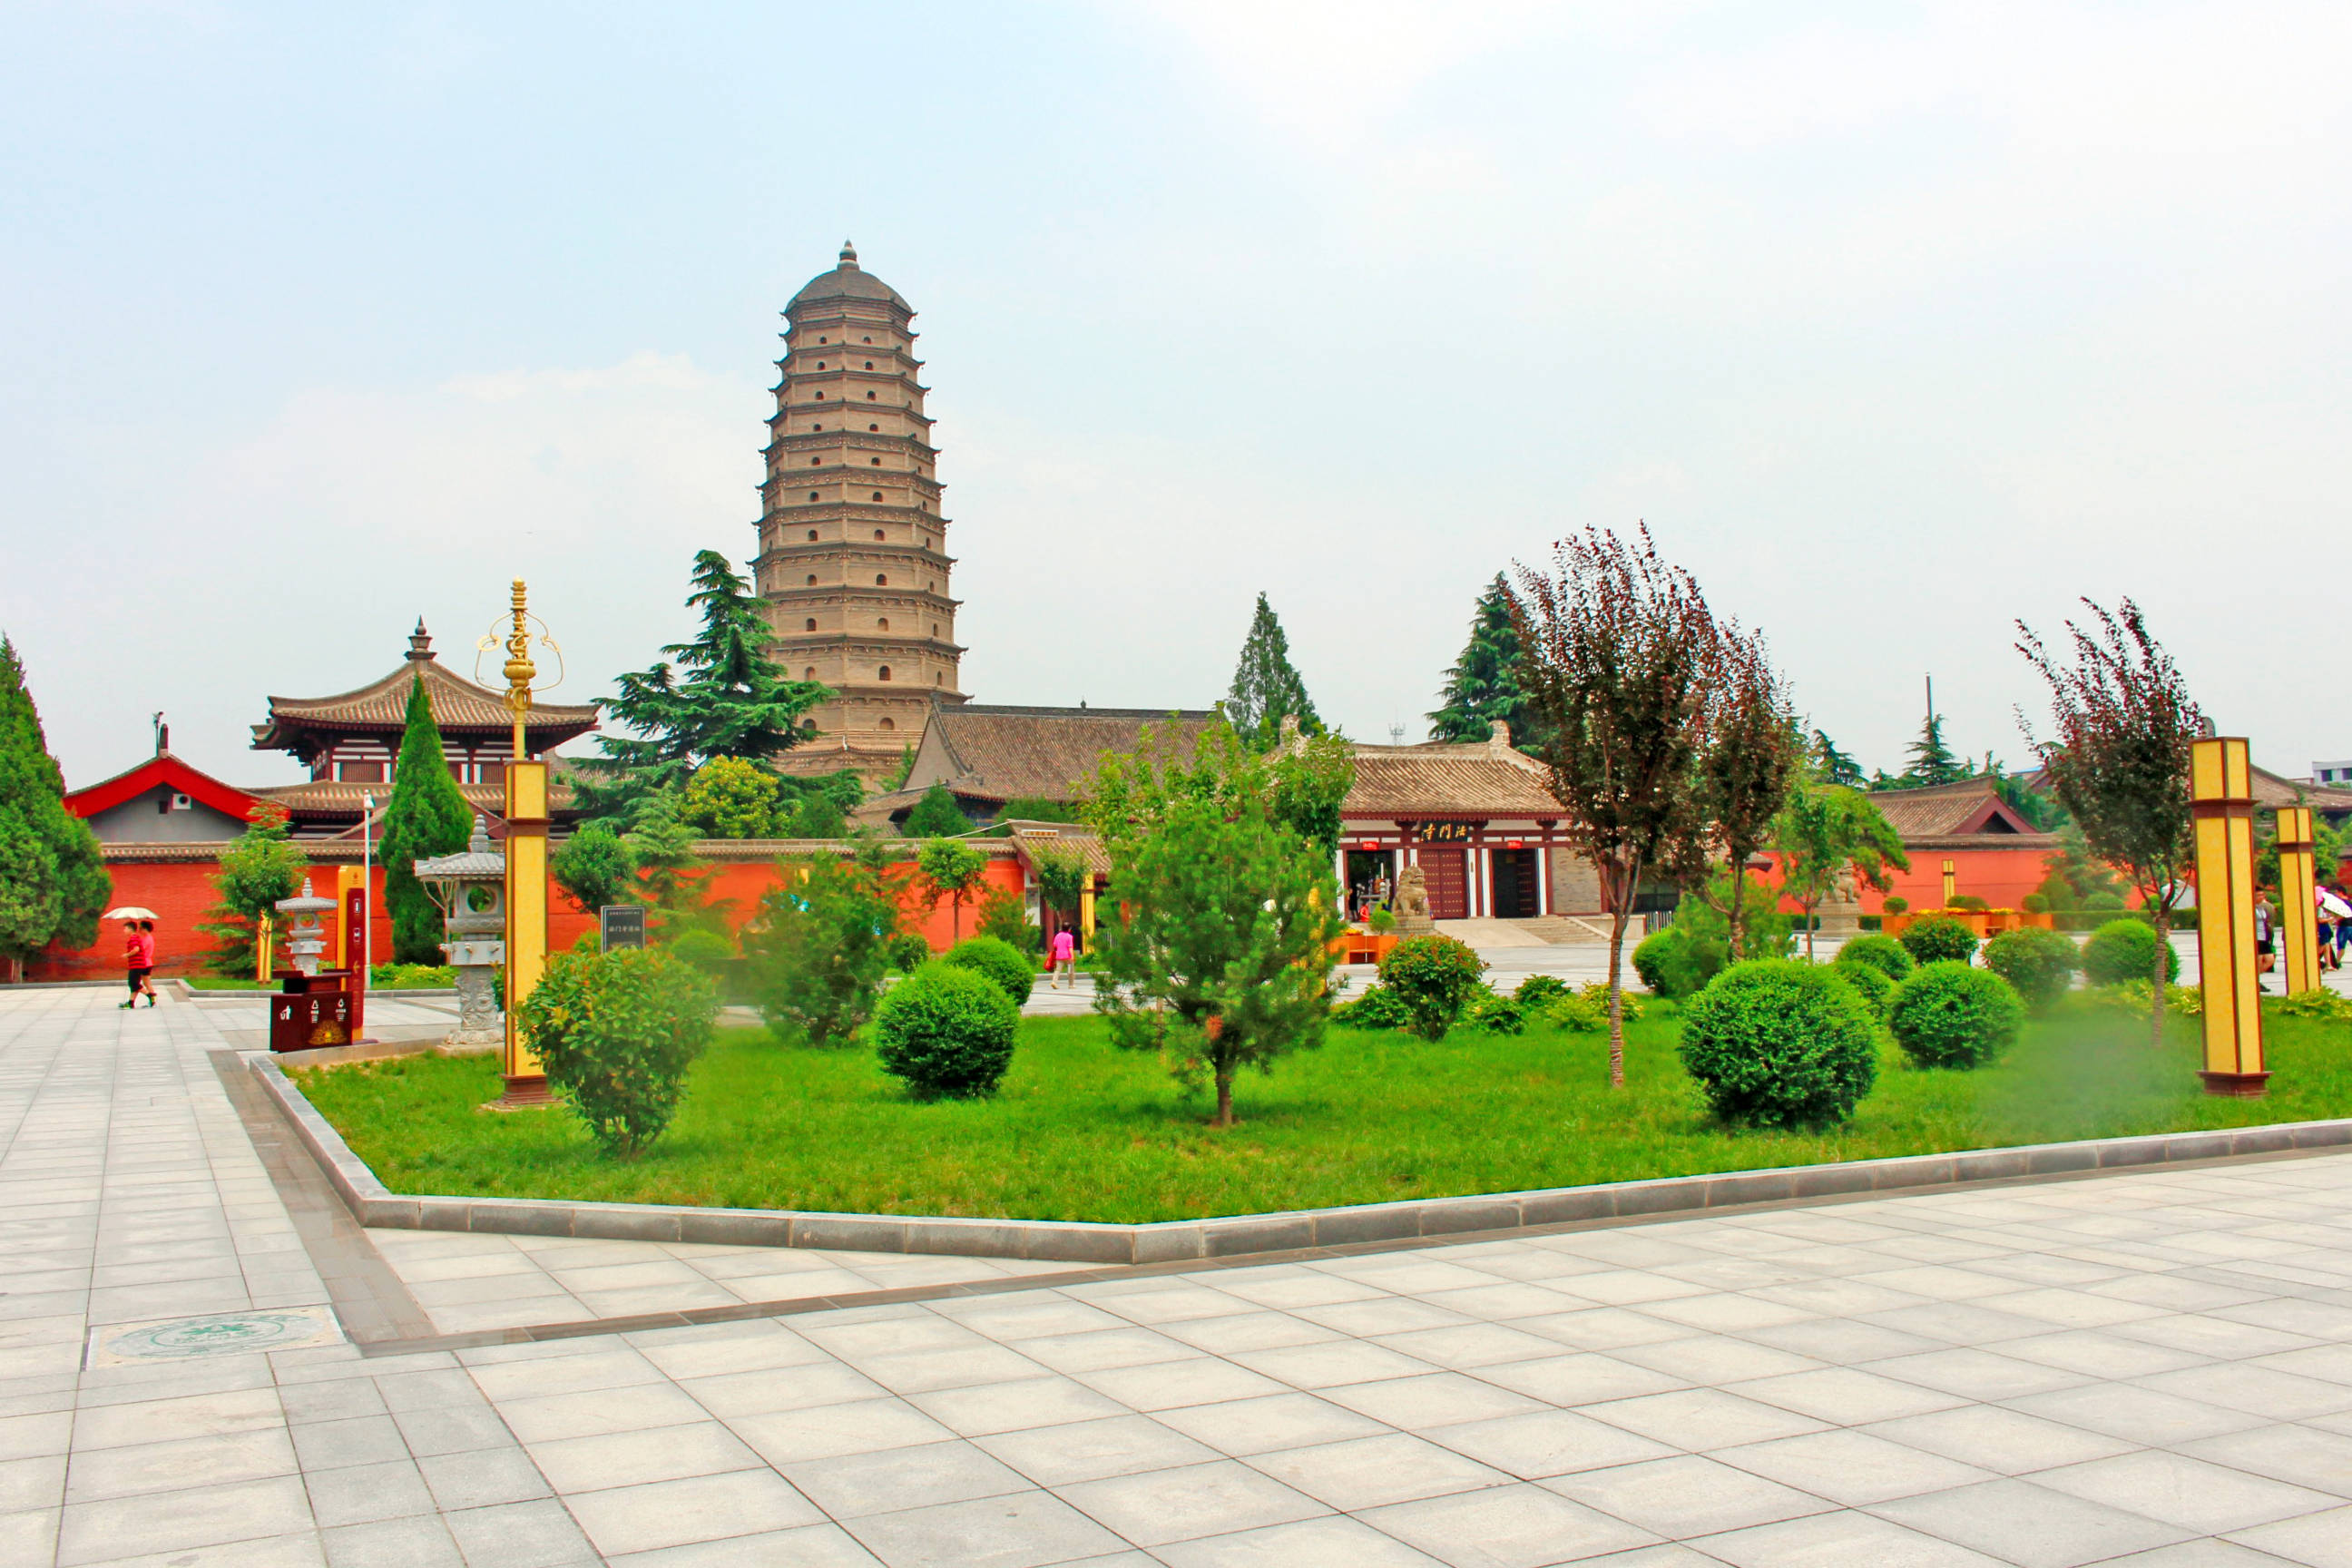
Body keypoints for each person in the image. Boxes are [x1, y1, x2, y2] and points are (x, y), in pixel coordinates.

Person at [121, 919, 156, 1009]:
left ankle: (151, 996)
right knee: (137, 984)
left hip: (140, 963)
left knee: (135, 983)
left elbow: (137, 949)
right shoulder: (142, 938)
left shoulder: (139, 938)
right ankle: (131, 1002)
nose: (139, 930)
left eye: (125, 929)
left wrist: (127, 955)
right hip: (142, 963)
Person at [1048, 924, 1077, 989]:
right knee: (1070, 971)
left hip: (1059, 956)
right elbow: (1070, 947)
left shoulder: (1058, 936)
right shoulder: (1069, 936)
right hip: (1068, 957)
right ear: (1069, 929)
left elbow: (1055, 945)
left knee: (1057, 970)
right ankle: (1071, 985)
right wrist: (1072, 956)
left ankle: (1054, 982)